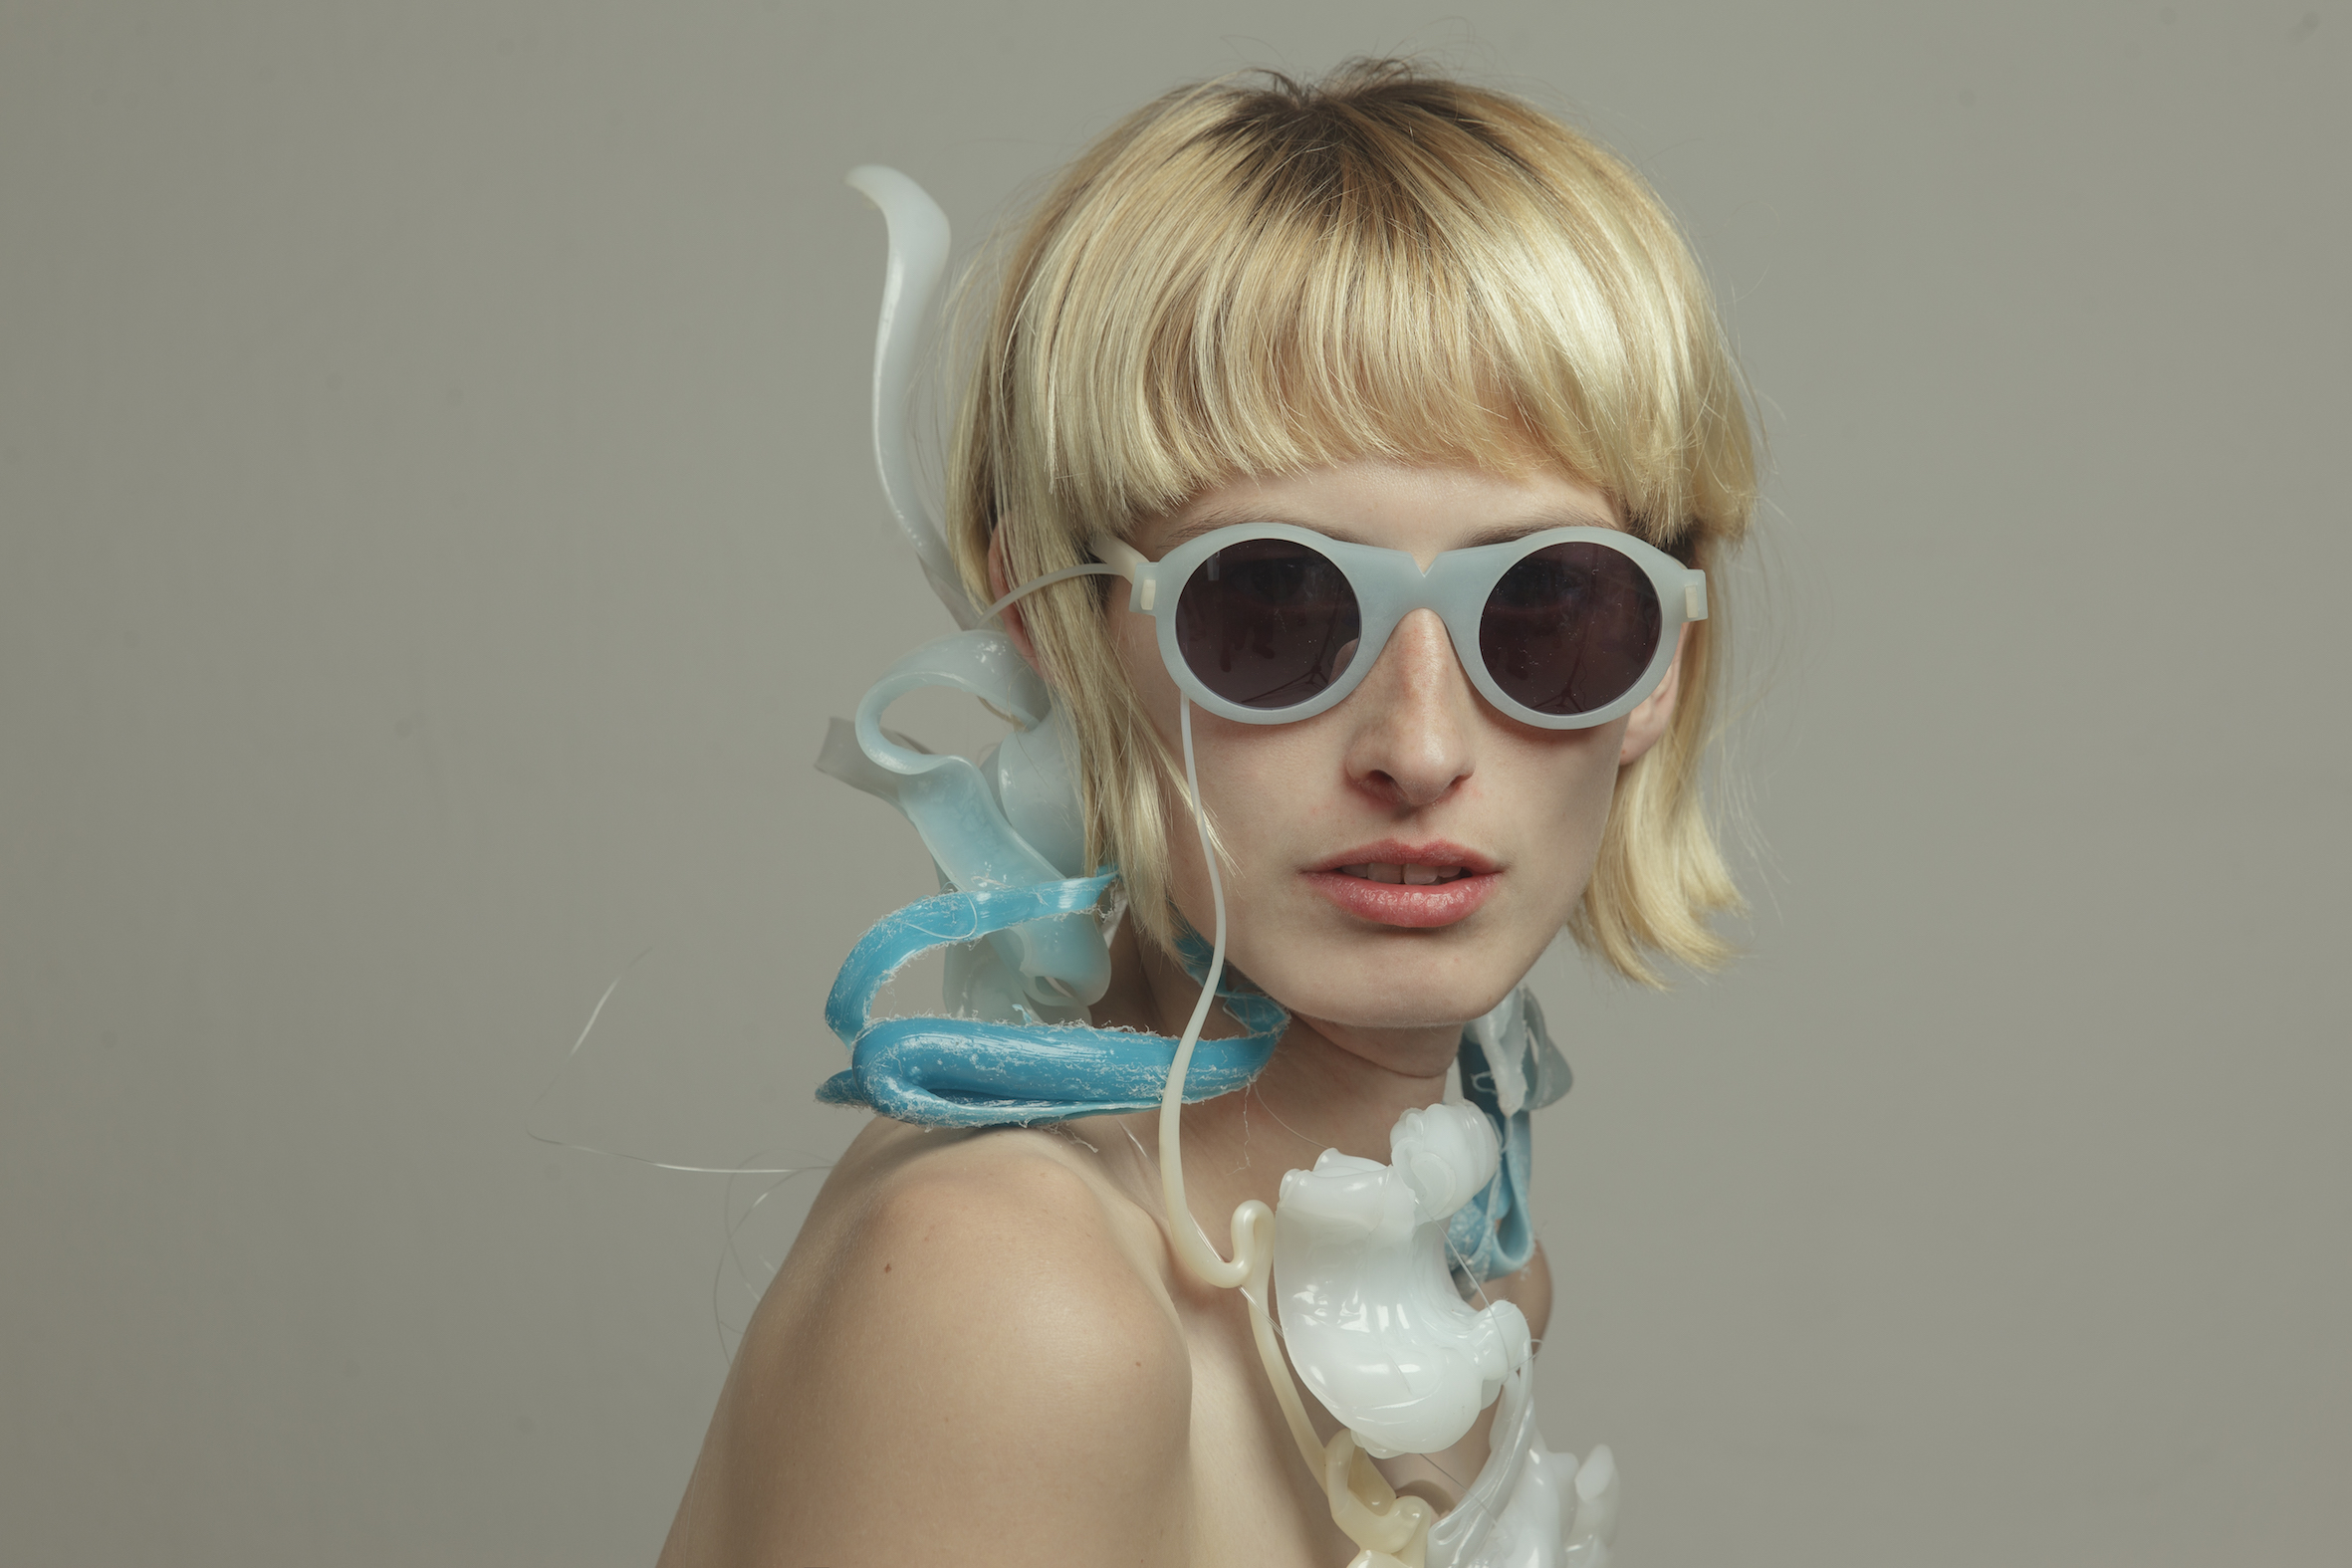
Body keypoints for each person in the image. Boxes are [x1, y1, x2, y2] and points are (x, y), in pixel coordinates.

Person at [657, 59, 1754, 1568]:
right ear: (1054, 624)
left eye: (1548, 607)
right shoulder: (1013, 1303)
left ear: (1661, 668)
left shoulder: (1476, 1278)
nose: (1419, 747)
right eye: (1274, 606)